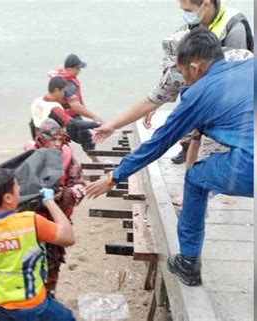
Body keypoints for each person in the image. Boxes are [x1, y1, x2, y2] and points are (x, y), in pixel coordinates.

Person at [85, 28, 253, 286]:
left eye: (182, 72)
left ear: (195, 67)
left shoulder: (197, 94)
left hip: (249, 167)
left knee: (196, 178)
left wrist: (113, 177)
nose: (182, 79)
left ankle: (188, 262)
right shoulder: (249, 65)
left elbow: (156, 145)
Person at [93, 0, 253, 163]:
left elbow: (234, 87)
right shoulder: (187, 31)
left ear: (206, 4)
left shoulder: (234, 31)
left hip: (233, 104)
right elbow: (153, 98)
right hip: (205, 91)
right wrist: (113, 124)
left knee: (212, 148)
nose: (186, 14)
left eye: (188, 10)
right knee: (195, 142)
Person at [0, 168, 76, 320]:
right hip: (32, 302)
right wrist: (50, 203)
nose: (19, 189)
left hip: (1, 302)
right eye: (16, 186)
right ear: (8, 198)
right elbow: (69, 237)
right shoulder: (30, 222)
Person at [33, 119, 85, 296]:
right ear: (41, 139)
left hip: (58, 217)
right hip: (33, 219)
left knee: (54, 257)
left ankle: (50, 292)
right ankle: (34, 292)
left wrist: (64, 195)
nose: (57, 144)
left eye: (59, 140)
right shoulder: (30, 158)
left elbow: (79, 187)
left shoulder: (69, 160)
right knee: (30, 257)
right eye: (52, 139)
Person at [48, 54, 103, 162]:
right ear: (69, 69)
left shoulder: (60, 76)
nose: (79, 71)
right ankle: (95, 162)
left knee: (62, 140)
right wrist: (94, 117)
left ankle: (86, 160)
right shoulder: (69, 85)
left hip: (57, 115)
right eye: (77, 68)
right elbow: (75, 106)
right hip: (68, 117)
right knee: (87, 138)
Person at [29, 76, 99, 153]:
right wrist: (97, 124)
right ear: (56, 90)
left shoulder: (37, 101)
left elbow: (32, 122)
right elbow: (73, 123)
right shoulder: (54, 108)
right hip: (51, 143)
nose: (64, 95)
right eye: (63, 91)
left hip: (39, 139)